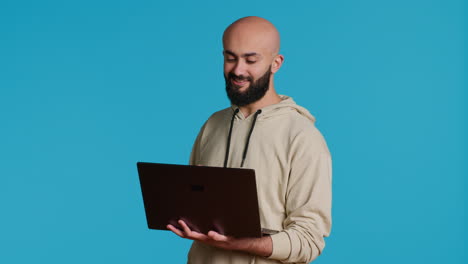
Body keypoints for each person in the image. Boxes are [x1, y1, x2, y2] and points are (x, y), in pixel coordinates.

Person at [167, 16, 332, 264]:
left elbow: (309, 240)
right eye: (230, 58)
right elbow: (195, 208)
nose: (237, 70)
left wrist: (242, 243)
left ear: (276, 63)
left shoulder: (303, 137)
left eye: (251, 60)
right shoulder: (214, 124)